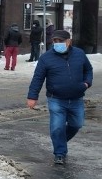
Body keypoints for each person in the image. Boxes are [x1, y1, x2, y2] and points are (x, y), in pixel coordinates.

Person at [26, 30, 93, 165]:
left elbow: (88, 69)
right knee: (57, 127)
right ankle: (59, 153)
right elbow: (38, 78)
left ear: (69, 41)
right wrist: (32, 96)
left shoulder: (79, 54)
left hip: (76, 98)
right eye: (55, 41)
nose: (57, 44)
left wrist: (86, 83)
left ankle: (60, 142)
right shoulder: (46, 58)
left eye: (61, 41)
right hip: (56, 99)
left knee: (77, 124)